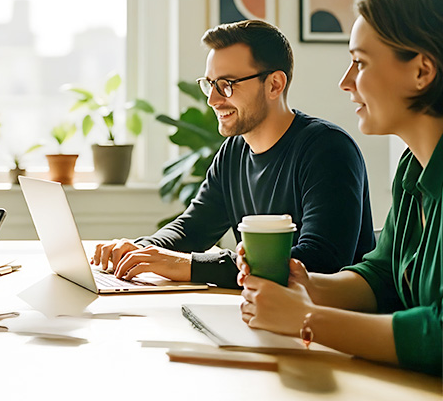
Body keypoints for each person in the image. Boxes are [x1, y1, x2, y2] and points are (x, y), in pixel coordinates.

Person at [237, 0, 442, 376]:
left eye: (360, 62)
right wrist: (303, 284)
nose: (346, 82)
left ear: (422, 71)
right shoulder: (413, 168)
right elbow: (382, 277)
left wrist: (306, 319)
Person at [93, 20, 375, 288]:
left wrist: (187, 265)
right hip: (265, 316)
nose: (213, 100)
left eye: (226, 85)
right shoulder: (233, 152)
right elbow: (192, 229)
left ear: (275, 84)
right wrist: (140, 249)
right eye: (210, 84)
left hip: (326, 328)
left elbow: (317, 263)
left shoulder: (328, 150)